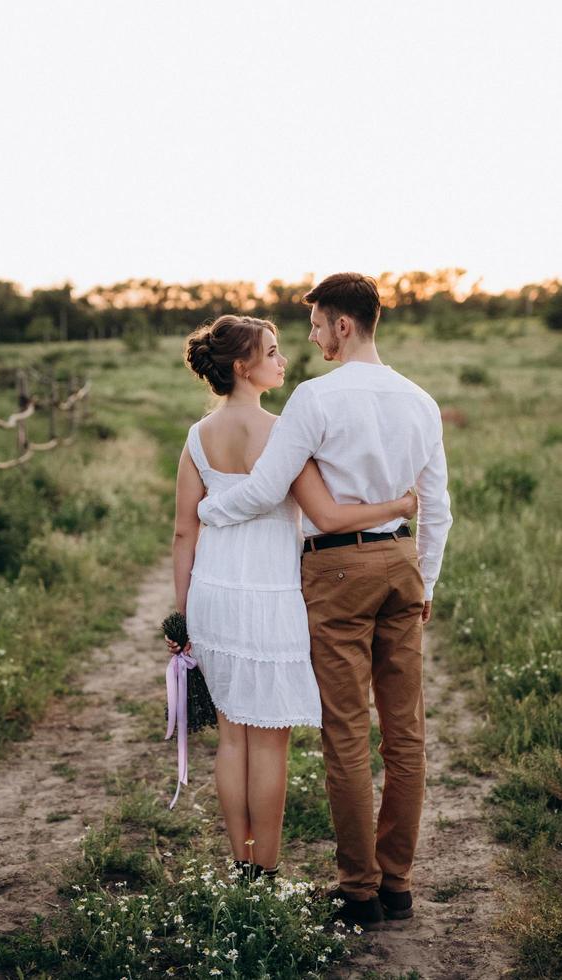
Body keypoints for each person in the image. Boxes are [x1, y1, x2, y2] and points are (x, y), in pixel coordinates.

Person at [197, 275, 453, 926]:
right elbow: (438, 509)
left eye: (316, 324)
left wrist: (210, 507)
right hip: (401, 564)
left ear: (343, 325)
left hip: (337, 573)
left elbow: (263, 491)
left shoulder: (314, 400)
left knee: (346, 734)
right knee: (406, 735)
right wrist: (426, 579)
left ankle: (359, 890)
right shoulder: (420, 401)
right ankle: (398, 883)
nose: (310, 337)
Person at [170, 312, 418, 883]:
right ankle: (267, 871)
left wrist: (181, 614)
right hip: (272, 596)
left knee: (232, 738)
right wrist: (397, 508)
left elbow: (185, 532)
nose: (283, 360)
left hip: (213, 593)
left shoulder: (196, 438)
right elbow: (327, 515)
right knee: (270, 743)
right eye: (273, 351)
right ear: (243, 367)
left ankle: (242, 867)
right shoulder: (284, 434)